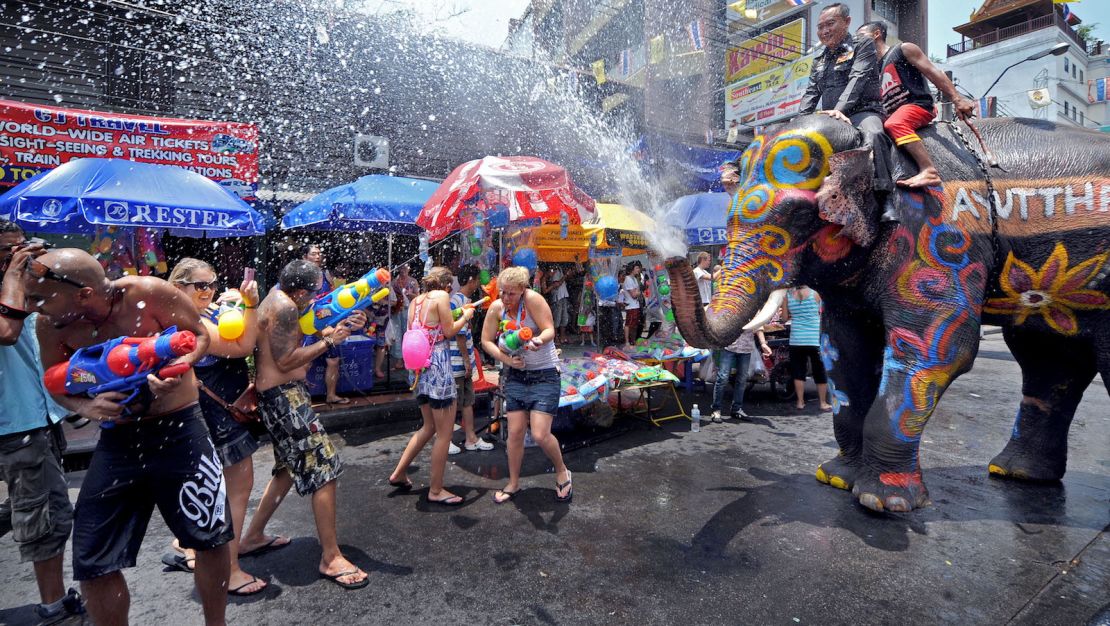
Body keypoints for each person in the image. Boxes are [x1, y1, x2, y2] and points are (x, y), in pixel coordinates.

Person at [25, 248, 231, 626]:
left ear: (84, 294)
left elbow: (199, 336)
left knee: (210, 536)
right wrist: (87, 407)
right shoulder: (50, 324)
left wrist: (177, 367)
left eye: (41, 298)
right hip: (118, 439)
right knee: (93, 557)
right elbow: (54, 377)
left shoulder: (149, 293)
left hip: (181, 428)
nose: (34, 306)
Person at [165, 259, 288, 597]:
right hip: (217, 419)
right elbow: (242, 346)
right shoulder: (189, 323)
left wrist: (233, 305)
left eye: (212, 284)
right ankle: (229, 571)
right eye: (200, 286)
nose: (209, 291)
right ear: (179, 287)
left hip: (207, 416)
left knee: (210, 488)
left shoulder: (190, 315)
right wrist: (248, 303)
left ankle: (187, 545)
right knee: (235, 490)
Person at [247, 259, 369, 590]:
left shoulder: (279, 298)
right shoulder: (286, 307)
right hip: (285, 398)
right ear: (300, 291)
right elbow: (287, 360)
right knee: (325, 469)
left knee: (287, 468)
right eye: (313, 293)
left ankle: (253, 536)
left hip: (278, 396)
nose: (315, 299)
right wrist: (330, 343)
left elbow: (312, 326)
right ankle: (330, 557)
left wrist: (342, 327)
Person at [0, 224, 86, 623]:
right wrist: (15, 275)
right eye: (7, 251)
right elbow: (7, 331)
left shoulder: (19, 290)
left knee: (28, 507)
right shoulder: (9, 294)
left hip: (38, 417)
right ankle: (54, 606)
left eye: (21, 249)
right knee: (47, 516)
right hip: (16, 425)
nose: (18, 257)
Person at [481, 266, 572, 505]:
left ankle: (562, 471)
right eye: (502, 292)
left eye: (511, 293)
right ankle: (513, 483)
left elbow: (550, 329)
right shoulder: (497, 308)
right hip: (517, 377)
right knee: (515, 433)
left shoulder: (533, 300)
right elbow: (485, 341)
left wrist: (538, 340)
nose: (505, 297)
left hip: (544, 374)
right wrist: (506, 359)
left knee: (541, 434)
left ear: (523, 290)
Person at [387, 266, 474, 504]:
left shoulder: (417, 301)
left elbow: (424, 330)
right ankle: (436, 490)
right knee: (444, 434)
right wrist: (465, 316)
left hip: (419, 369)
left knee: (428, 427)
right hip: (438, 367)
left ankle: (399, 472)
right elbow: (447, 332)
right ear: (447, 286)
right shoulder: (442, 297)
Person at [857, 20, 976, 188]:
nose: (856, 41)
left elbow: (934, 72)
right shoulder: (871, 69)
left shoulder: (903, 50)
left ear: (876, 34)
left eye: (860, 37)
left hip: (917, 105)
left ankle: (929, 171)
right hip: (892, 112)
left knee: (895, 123)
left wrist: (957, 99)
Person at [799, 2, 892, 191]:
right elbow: (811, 94)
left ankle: (885, 194)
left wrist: (838, 110)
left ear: (847, 22)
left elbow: (857, 78)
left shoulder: (863, 44)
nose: (824, 31)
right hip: (831, 120)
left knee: (874, 134)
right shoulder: (819, 60)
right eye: (820, 27)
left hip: (863, 113)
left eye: (830, 24)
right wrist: (797, 124)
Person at [449, 264, 493, 454]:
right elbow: (459, 333)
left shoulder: (461, 300)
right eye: (476, 279)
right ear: (470, 280)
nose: (478, 284)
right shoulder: (458, 302)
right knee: (454, 403)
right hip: (457, 360)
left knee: (467, 400)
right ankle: (446, 440)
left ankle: (471, 438)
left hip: (461, 359)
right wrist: (467, 360)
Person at [301, 244, 348, 405]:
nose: (318, 256)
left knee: (333, 360)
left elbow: (332, 297)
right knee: (306, 361)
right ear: (305, 257)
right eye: (314, 254)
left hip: (328, 323)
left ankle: (331, 395)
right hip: (311, 324)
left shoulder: (325, 275)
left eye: (319, 253)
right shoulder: (302, 275)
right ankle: (299, 398)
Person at [780, 285, 831, 411]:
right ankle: (823, 403)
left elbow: (784, 318)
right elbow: (824, 312)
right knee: (819, 371)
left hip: (796, 340)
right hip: (814, 339)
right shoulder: (816, 293)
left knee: (798, 371)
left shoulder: (787, 296)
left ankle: (800, 402)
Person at [710, 328, 772, 422]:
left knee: (742, 380)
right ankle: (716, 409)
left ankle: (736, 409)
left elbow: (759, 326)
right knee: (722, 378)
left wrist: (763, 343)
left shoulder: (754, 312)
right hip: (728, 346)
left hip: (746, 348)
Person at [390, 264, 419, 371]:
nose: (403, 270)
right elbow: (390, 297)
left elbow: (417, 296)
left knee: (407, 334)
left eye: (405, 268)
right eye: (401, 268)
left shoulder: (413, 281)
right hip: (397, 311)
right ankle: (399, 359)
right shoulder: (394, 282)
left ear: (409, 269)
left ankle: (408, 359)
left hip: (409, 310)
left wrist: (409, 294)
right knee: (397, 335)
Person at [542, 264, 571, 345]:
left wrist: (567, 275)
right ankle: (556, 337)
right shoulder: (549, 274)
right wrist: (566, 275)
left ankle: (562, 336)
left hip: (563, 295)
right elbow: (557, 284)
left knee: (564, 318)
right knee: (557, 319)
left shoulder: (559, 268)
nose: (553, 271)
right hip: (557, 297)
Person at [621, 261, 643, 346]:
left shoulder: (634, 279)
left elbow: (637, 292)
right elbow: (634, 294)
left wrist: (637, 292)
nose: (638, 270)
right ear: (632, 269)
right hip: (631, 306)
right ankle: (627, 341)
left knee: (634, 325)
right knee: (629, 324)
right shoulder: (628, 279)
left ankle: (632, 341)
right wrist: (638, 292)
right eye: (637, 268)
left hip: (635, 305)